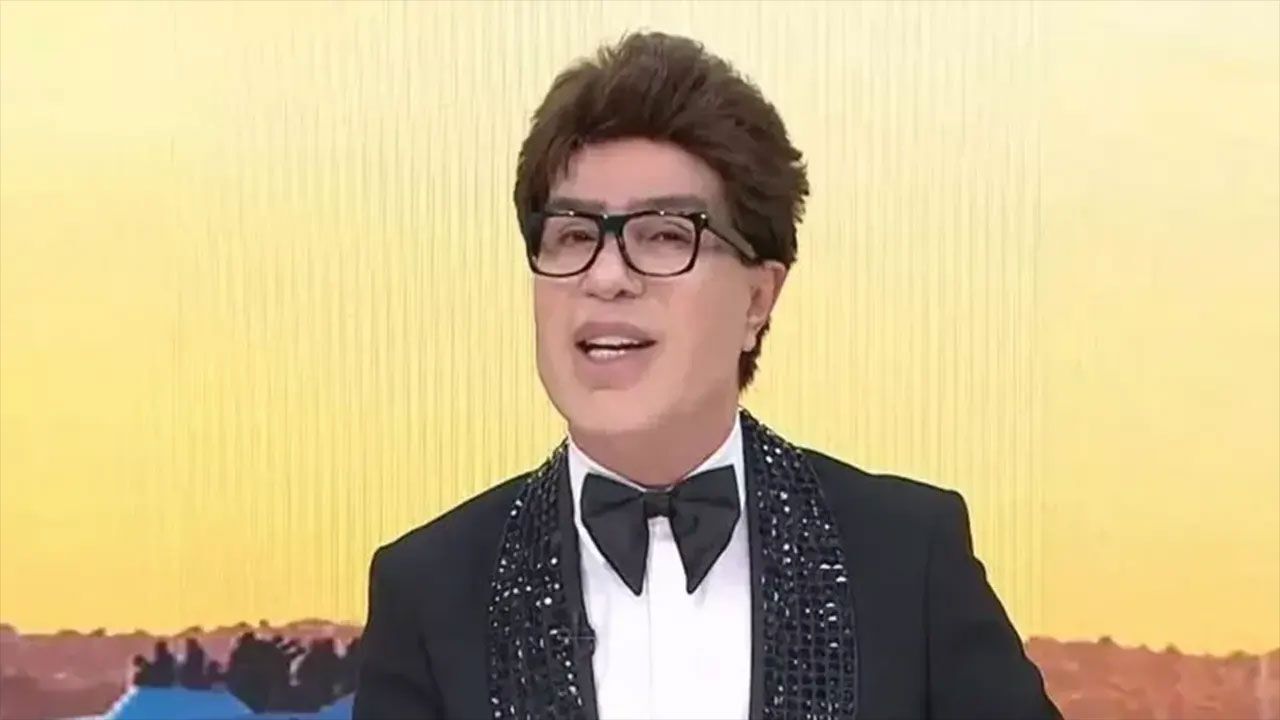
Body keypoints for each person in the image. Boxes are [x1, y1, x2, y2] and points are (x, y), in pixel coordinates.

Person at [354, 31, 1059, 720]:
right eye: (573, 235)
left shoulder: (907, 558)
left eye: (664, 235)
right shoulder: (430, 590)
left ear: (757, 299)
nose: (606, 277)